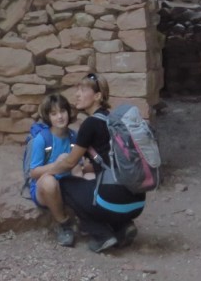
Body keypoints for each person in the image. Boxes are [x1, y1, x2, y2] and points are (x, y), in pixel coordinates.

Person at [42, 73, 145, 253]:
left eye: (83, 90)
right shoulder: (113, 120)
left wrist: (47, 174)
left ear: (97, 96)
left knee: (64, 184)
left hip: (116, 200)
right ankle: (123, 226)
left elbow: (69, 163)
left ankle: (102, 234)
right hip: (137, 202)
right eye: (77, 90)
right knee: (93, 186)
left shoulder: (90, 124)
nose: (77, 95)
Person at [27, 93, 81, 247]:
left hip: (67, 183)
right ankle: (63, 223)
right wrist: (58, 165)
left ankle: (90, 219)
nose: (60, 117)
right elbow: (34, 172)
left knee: (90, 176)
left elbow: (81, 164)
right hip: (45, 187)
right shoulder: (42, 139)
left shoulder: (73, 137)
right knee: (49, 182)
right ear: (48, 117)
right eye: (54, 113)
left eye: (62, 111)